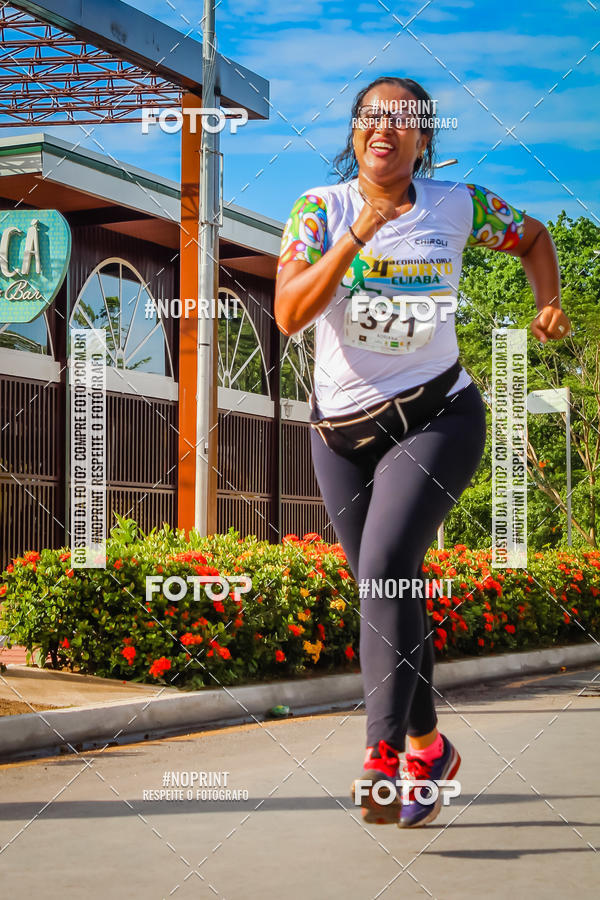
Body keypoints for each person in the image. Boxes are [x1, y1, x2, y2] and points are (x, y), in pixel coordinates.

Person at [274, 75, 571, 828]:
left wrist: (547, 300)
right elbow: (289, 314)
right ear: (354, 133)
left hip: (436, 415)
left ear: (423, 138)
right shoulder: (319, 210)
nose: (385, 128)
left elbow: (534, 237)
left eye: (402, 119)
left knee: (384, 568)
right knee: (389, 590)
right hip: (339, 434)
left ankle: (382, 760)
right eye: (371, 117)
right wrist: (357, 235)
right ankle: (429, 747)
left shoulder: (458, 205)